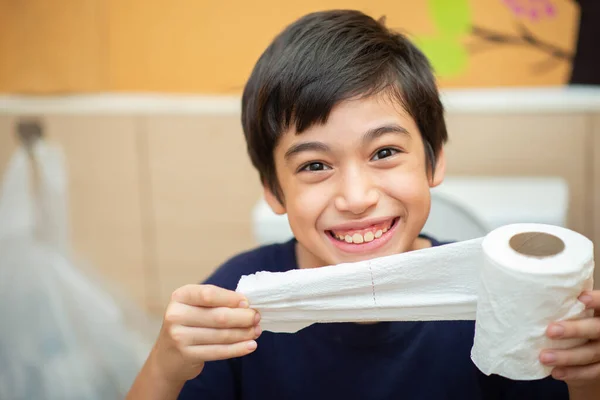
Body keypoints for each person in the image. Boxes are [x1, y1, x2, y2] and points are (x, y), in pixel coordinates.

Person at [127, 9, 600, 399]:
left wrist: (587, 378)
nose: (356, 198)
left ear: (433, 160)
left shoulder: (496, 295)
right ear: (273, 190)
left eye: (384, 153)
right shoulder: (236, 301)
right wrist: (166, 366)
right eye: (315, 165)